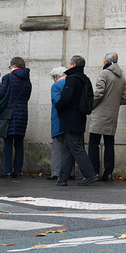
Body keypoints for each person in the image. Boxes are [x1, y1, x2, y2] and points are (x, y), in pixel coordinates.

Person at [55, 55, 99, 186]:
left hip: (70, 118)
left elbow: (65, 98)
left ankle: (90, 174)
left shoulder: (72, 79)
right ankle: (62, 178)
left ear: (73, 65)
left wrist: (58, 105)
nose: (68, 67)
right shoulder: (85, 79)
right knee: (69, 148)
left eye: (69, 64)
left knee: (77, 147)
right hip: (79, 117)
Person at [88, 52, 126, 182]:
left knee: (94, 143)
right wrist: (114, 106)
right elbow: (125, 97)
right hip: (112, 115)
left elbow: (98, 93)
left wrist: (90, 105)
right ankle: (108, 173)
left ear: (106, 61)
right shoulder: (122, 77)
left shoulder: (104, 74)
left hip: (99, 114)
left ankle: (94, 172)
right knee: (109, 144)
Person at [0, 57, 31, 178]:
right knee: (19, 143)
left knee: (8, 142)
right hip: (22, 114)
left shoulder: (8, 77)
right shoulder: (27, 80)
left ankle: (7, 171)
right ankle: (18, 171)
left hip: (9, 114)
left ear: (13, 66)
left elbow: (0, 94)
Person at [47, 66, 69, 181]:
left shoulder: (56, 85)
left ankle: (56, 173)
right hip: (71, 121)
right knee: (70, 147)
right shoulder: (72, 83)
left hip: (58, 119)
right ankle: (70, 173)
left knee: (57, 147)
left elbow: (57, 102)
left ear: (55, 76)